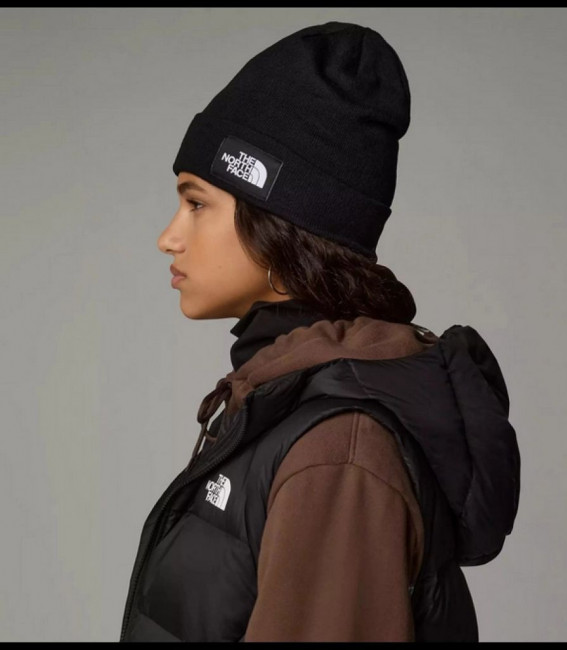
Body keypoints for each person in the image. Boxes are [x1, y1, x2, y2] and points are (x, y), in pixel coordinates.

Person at [119, 21, 521, 642]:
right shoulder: (278, 401)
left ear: (277, 225)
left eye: (196, 203)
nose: (168, 237)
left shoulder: (338, 450)